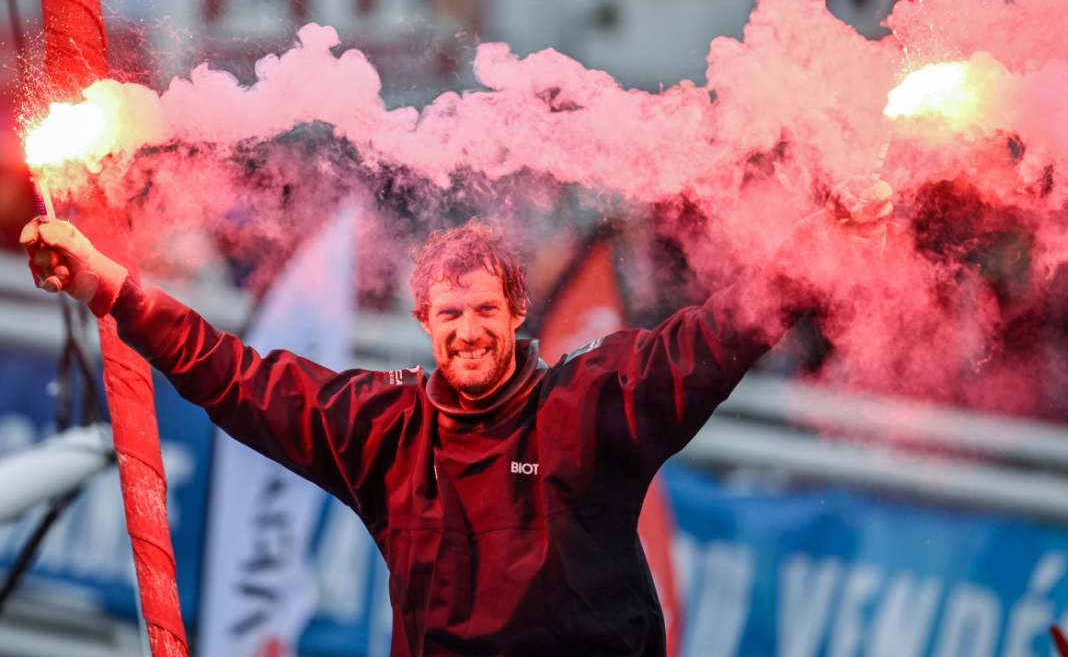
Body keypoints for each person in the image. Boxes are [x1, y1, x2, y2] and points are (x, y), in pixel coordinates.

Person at [19, 206, 882, 656]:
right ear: (423, 323)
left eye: (483, 312)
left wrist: (820, 249)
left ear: (516, 315)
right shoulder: (383, 426)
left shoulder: (589, 403)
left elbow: (719, 335)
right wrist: (112, 289)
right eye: (448, 315)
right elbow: (233, 376)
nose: (467, 332)